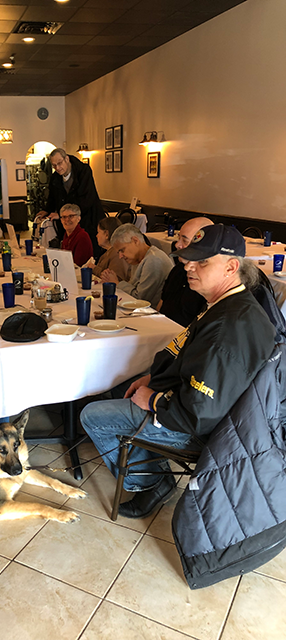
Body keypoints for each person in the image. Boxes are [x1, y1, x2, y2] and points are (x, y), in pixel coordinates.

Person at [81, 224, 276, 519]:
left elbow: (200, 412)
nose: (189, 267)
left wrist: (153, 400)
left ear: (231, 267)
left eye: (202, 262)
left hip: (200, 429)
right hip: (189, 400)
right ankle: (152, 466)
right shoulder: (227, 303)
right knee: (122, 385)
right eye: (189, 260)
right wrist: (152, 379)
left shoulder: (229, 326)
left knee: (91, 415)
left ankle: (150, 482)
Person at [37, 148, 105, 257]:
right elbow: (53, 198)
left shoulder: (83, 171)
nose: (58, 168)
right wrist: (47, 210)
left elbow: (87, 199)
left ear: (67, 159)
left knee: (88, 255)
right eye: (54, 165)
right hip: (68, 225)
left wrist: (61, 215)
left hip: (88, 219)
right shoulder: (55, 178)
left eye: (59, 163)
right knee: (69, 254)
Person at [157, 217, 213, 326]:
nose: (177, 245)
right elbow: (162, 303)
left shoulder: (207, 282)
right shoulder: (178, 269)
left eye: (185, 240)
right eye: (178, 238)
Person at [102, 224, 173, 308]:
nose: (120, 256)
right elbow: (132, 287)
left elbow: (140, 300)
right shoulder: (138, 259)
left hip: (153, 315)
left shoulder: (153, 260)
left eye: (122, 250)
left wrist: (117, 283)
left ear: (135, 240)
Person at [85, 216, 133, 282]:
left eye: (98, 232)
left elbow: (114, 278)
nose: (97, 235)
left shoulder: (117, 254)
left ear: (106, 234)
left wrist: (94, 268)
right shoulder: (109, 251)